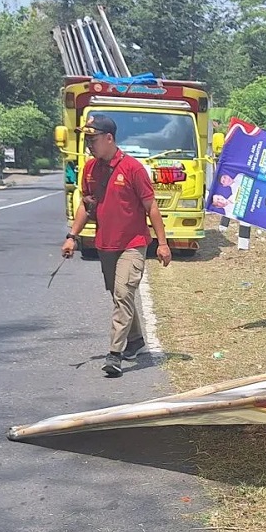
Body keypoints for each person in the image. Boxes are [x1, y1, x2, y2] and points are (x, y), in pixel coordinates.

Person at [61, 114, 172, 378]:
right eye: (87, 138)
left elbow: (151, 206)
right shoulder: (90, 169)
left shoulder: (133, 168)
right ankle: (135, 341)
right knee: (119, 294)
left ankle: (114, 355)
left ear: (109, 138)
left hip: (133, 244)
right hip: (105, 244)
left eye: (94, 138)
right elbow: (86, 206)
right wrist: (72, 237)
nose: (89, 144)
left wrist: (163, 244)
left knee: (123, 294)